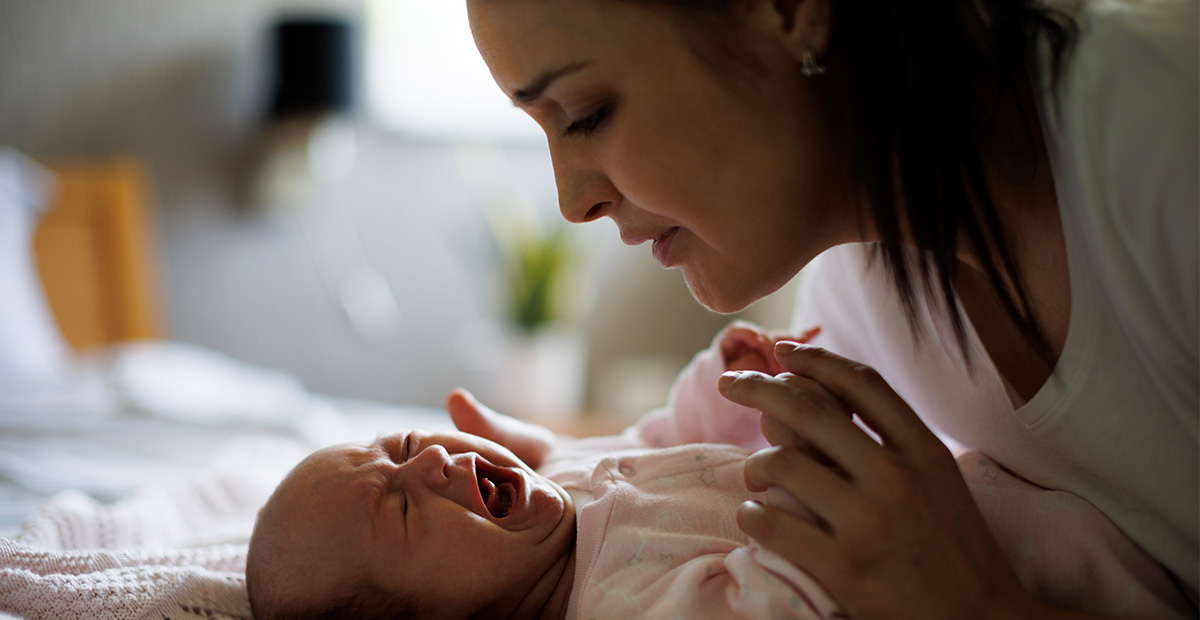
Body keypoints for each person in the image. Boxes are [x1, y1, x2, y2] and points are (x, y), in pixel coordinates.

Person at [464, 0, 1199, 617]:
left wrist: (980, 605)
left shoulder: (1164, 139)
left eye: (586, 114)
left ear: (788, 11)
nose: (572, 202)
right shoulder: (855, 302)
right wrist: (574, 473)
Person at [245, 324, 1189, 619]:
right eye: (403, 512)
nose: (439, 463)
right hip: (1058, 581)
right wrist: (799, 470)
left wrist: (732, 381)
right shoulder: (616, 608)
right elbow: (773, 606)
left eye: (405, 450)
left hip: (1030, 496)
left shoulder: (566, 496)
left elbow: (668, 438)